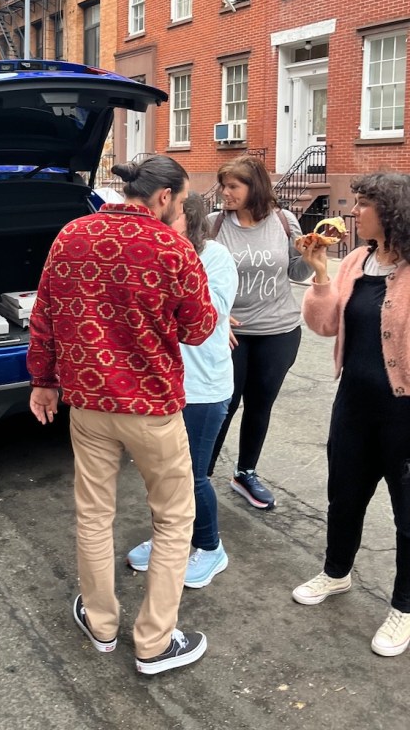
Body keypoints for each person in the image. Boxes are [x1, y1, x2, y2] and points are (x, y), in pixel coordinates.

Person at [27, 156, 217, 676]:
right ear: (164, 198)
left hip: (87, 404)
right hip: (152, 409)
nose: (180, 209)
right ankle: (154, 642)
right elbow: (200, 328)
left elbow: (43, 314)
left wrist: (43, 382)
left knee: (93, 513)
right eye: (180, 201)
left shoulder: (71, 235)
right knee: (175, 519)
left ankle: (101, 622)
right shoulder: (172, 248)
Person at [292, 172, 410, 657]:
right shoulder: (356, 261)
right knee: (344, 496)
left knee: (408, 514)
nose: (353, 212)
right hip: (353, 405)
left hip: (403, 412)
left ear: (392, 212)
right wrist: (320, 271)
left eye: (363, 205)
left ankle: (404, 608)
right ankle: (335, 573)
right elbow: (322, 325)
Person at [127, 191, 238, 587]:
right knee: (159, 475)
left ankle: (210, 549)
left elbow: (210, 313)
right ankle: (169, 538)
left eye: (167, 221)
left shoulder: (216, 259)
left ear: (189, 222)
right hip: (161, 385)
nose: (158, 227)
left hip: (203, 389)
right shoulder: (156, 255)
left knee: (191, 475)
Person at [207, 155, 312, 510]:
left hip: (279, 329)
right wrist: (216, 319)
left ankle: (245, 472)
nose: (225, 192)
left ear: (255, 189)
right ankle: (200, 477)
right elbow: (196, 277)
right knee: (224, 404)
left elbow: (297, 273)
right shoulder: (214, 224)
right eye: (224, 185)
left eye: (233, 186)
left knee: (260, 405)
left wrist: (312, 254)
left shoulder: (285, 221)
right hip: (230, 332)